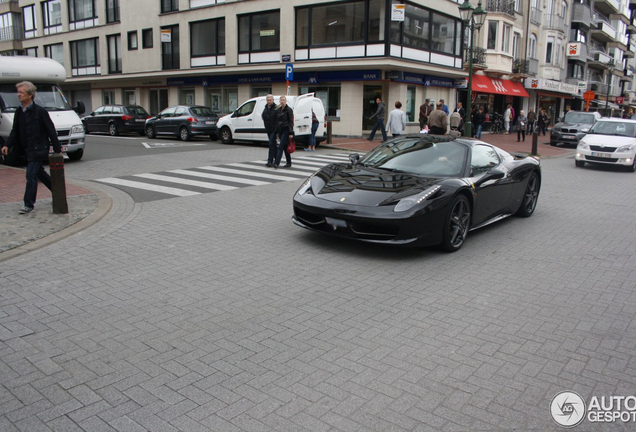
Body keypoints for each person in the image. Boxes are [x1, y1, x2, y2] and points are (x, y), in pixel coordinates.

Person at [1, 81, 61, 214]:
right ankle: (58, 192)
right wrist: (7, 145)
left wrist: (57, 148)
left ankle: (28, 204)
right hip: (26, 149)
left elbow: (51, 130)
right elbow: (14, 131)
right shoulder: (19, 112)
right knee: (39, 172)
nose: (18, 95)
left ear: (30, 95)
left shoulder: (40, 112)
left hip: (39, 149)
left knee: (31, 175)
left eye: (21, 92)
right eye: (18, 92)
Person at [273, 95, 294, 168]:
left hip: (286, 129)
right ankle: (289, 162)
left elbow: (291, 121)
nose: (282, 101)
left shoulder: (289, 110)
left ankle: (276, 163)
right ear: (279, 101)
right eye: (281, 100)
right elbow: (277, 121)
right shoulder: (278, 110)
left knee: (281, 146)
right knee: (285, 147)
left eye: (283, 100)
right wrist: (276, 132)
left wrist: (291, 132)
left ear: (286, 101)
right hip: (280, 130)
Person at [262, 94, 277, 166]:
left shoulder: (276, 108)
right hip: (268, 129)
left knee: (271, 143)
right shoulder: (265, 108)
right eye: (268, 100)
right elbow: (263, 116)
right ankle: (276, 159)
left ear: (273, 100)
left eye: (270, 100)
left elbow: (278, 118)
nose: (269, 101)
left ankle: (270, 160)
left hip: (274, 129)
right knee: (273, 144)